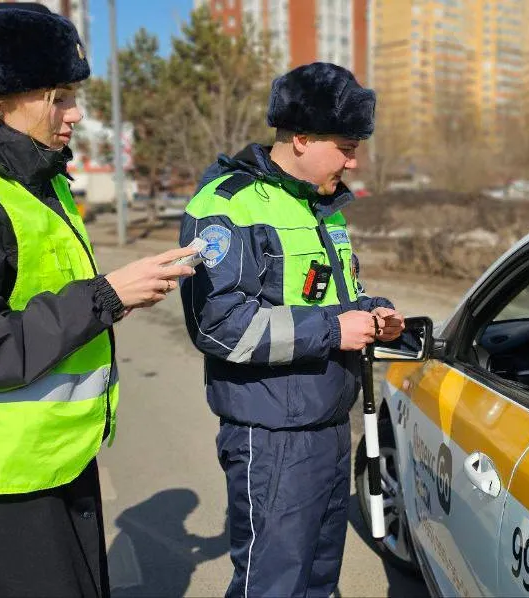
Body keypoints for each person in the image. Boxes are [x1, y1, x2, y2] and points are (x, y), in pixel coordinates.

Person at [0, 4, 195, 596]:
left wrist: (120, 295)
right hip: (7, 477)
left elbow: (47, 299)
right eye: (57, 96)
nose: (74, 113)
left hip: (59, 458)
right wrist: (105, 298)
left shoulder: (35, 179)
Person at [179, 62, 404, 597]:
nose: (353, 162)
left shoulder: (322, 207)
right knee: (273, 584)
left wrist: (374, 314)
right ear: (300, 138)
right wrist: (333, 330)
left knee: (318, 580)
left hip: (327, 425)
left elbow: (332, 295)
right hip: (272, 434)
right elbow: (220, 327)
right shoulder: (228, 205)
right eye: (345, 148)